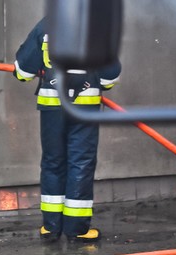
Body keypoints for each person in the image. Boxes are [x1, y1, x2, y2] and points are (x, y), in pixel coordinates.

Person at [13, 17, 121, 243]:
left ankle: (51, 228)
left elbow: (23, 71)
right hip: (84, 109)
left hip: (52, 107)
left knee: (53, 162)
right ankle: (77, 229)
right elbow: (110, 76)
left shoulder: (45, 26)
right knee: (80, 163)